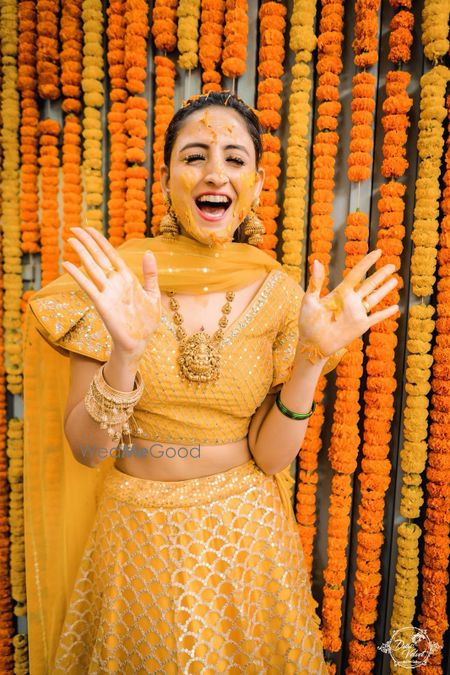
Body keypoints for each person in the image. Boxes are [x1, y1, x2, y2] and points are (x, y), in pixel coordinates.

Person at [23, 91, 399, 673]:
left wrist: (311, 360)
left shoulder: (280, 295)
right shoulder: (115, 285)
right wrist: (125, 352)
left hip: (244, 536)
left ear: (257, 182)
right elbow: (89, 450)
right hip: (135, 534)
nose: (214, 172)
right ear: (167, 177)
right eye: (195, 156)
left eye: (234, 157)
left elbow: (270, 458)